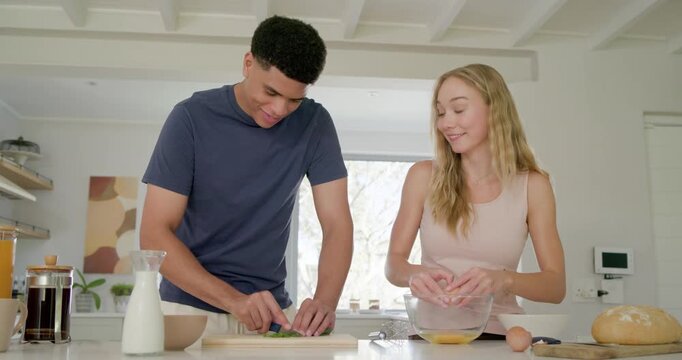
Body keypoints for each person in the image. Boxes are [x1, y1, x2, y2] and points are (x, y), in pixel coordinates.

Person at [140, 15, 353, 338]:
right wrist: (235, 301)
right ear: (248, 63)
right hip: (189, 309)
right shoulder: (190, 118)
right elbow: (154, 234)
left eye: (294, 99)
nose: (279, 109)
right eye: (270, 91)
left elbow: (337, 224)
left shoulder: (315, 124)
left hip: (272, 313)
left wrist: (326, 301)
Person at [385, 63, 565, 337]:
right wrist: (414, 275)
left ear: (495, 110)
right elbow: (394, 265)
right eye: (441, 112)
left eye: (458, 109)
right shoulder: (422, 176)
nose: (445, 122)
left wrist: (503, 279)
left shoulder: (533, 186)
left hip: (501, 337)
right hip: (430, 336)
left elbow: (555, 287)